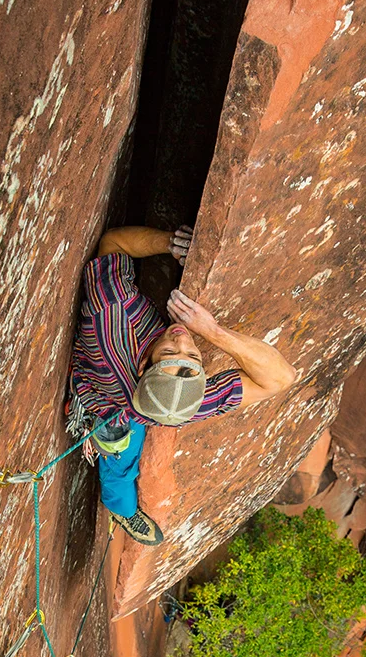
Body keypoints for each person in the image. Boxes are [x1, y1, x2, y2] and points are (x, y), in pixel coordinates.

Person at [68, 224, 297, 545]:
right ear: (144, 366)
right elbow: (279, 378)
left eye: (188, 355)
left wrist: (215, 332)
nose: (183, 338)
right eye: (181, 352)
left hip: (127, 404)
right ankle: (121, 508)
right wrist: (210, 330)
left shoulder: (186, 394)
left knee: (127, 446)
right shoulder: (113, 316)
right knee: (120, 461)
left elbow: (282, 378)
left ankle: (120, 500)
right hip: (105, 398)